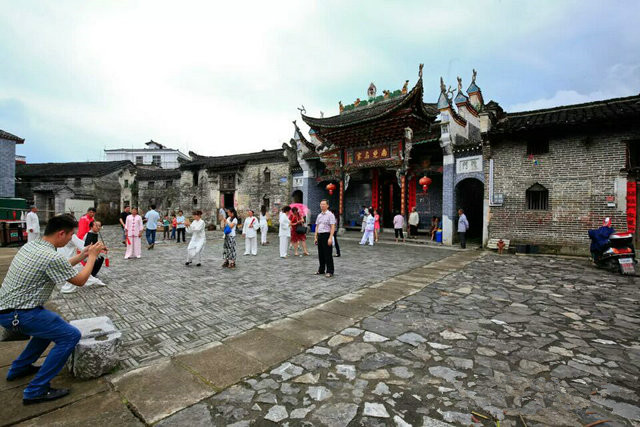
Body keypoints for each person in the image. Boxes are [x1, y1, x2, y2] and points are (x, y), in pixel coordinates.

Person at [0, 214, 104, 404]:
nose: (71, 238)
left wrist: (82, 254)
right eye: (71, 235)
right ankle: (35, 390)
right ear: (61, 233)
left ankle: (19, 368)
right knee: (70, 335)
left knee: (50, 327)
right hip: (20, 314)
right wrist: (92, 258)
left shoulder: (32, 246)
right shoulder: (50, 256)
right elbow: (80, 281)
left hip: (9, 310)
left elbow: (60, 267)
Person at [314, 200, 336, 277]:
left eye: (324, 204)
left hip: (327, 235)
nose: (322, 206)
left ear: (327, 206)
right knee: (321, 254)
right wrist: (315, 237)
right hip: (320, 235)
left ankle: (330, 271)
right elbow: (317, 226)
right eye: (321, 204)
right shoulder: (319, 215)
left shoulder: (330, 215)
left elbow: (333, 226)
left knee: (328, 254)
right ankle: (321, 270)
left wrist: (330, 238)